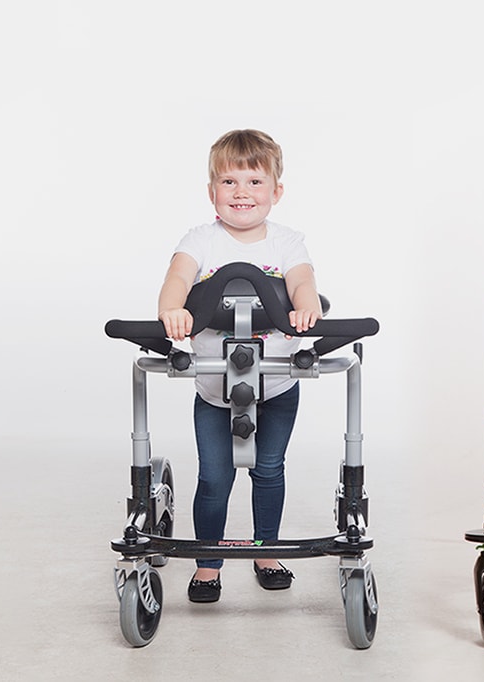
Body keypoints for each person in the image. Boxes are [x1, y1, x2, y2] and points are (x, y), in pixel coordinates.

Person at [157, 129, 323, 603]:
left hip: (276, 384)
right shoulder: (201, 241)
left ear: (275, 191)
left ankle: (266, 552)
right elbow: (176, 278)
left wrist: (305, 308)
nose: (241, 193)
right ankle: (208, 563)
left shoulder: (287, 244)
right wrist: (174, 308)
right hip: (213, 388)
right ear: (212, 193)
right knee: (215, 476)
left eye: (253, 181)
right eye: (229, 183)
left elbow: (304, 282)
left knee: (269, 468)